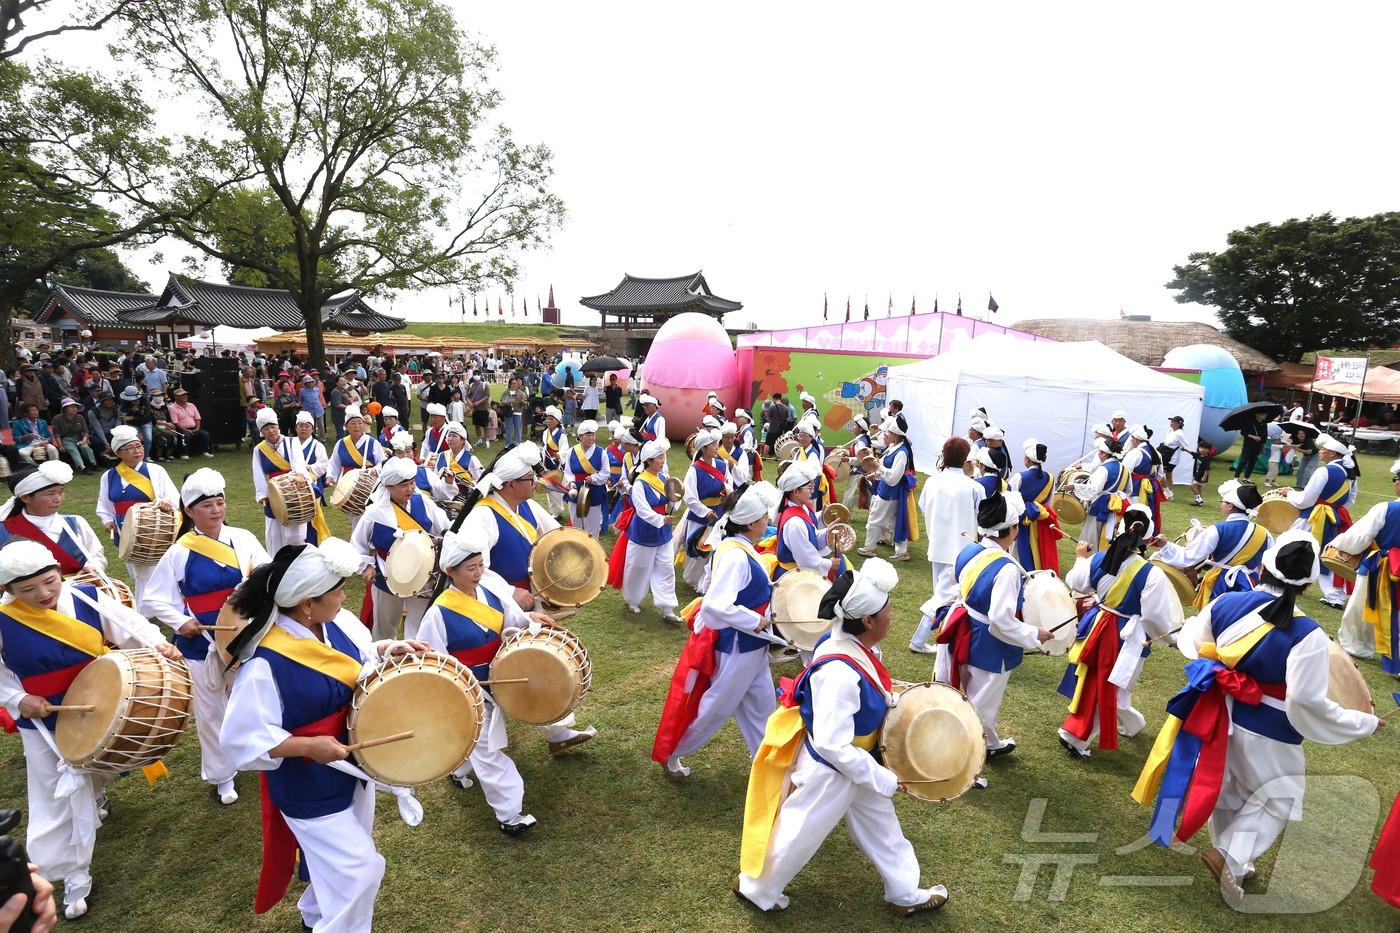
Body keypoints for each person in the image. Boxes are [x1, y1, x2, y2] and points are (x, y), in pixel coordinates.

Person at [1131, 531, 1382, 905]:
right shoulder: (1307, 634)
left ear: (1263, 564)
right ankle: (1229, 856)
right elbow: (1308, 703)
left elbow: (1194, 644)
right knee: (1279, 796)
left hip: (1219, 713)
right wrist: (1361, 722)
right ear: (1310, 584)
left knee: (1231, 786)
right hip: (1271, 726)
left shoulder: (1227, 602)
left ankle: (1235, 857)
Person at [220, 539, 424, 933]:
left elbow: (358, 660)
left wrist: (388, 649)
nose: (343, 595)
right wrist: (307, 746)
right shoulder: (264, 662)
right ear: (306, 604)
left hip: (354, 766)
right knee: (361, 871)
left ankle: (314, 914)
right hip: (306, 783)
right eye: (335, 590)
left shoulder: (336, 622)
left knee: (338, 860)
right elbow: (241, 739)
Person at [735, 559, 948, 916]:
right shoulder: (838, 672)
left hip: (853, 764)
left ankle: (905, 892)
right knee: (799, 830)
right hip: (834, 770)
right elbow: (834, 744)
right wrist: (879, 775)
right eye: (887, 610)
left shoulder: (848, 643)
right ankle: (757, 889)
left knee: (882, 826)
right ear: (867, 621)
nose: (892, 615)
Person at [0, 539, 181, 920]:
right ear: (8, 591)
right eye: (28, 590)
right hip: (43, 718)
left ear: (59, 573)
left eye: (49, 582)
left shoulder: (87, 598)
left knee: (95, 772)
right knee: (56, 794)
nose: (44, 594)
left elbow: (132, 627)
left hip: (102, 702)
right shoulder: (3, 619)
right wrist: (17, 699)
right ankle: (72, 877)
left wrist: (159, 645)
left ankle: (97, 796)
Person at [144, 469, 270, 805]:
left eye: (220, 503)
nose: (216, 510)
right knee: (211, 708)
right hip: (201, 642)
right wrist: (180, 620)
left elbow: (265, 576)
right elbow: (153, 598)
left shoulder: (243, 538)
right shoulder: (179, 551)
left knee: (252, 698)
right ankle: (221, 774)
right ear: (189, 512)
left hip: (245, 634)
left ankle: (257, 752)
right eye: (207, 506)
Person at [417, 527, 549, 836]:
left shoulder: (490, 592)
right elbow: (431, 660)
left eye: (480, 565)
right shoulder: (438, 613)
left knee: (473, 741)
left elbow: (514, 620)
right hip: (468, 690)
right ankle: (510, 812)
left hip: (500, 678)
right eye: (470, 568)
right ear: (451, 571)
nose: (478, 573)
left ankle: (459, 768)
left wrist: (532, 621)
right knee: (487, 749)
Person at [653, 482, 782, 778]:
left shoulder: (732, 545)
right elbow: (713, 606)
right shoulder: (736, 555)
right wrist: (753, 619)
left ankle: (766, 763)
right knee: (715, 708)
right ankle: (672, 752)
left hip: (751, 646)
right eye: (764, 517)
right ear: (750, 522)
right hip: (739, 647)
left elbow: (713, 584)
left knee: (762, 707)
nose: (768, 521)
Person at [935, 492, 1052, 778]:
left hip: (961, 627)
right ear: (1012, 530)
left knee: (963, 694)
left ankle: (991, 744)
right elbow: (1001, 620)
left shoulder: (968, 549)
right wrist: (1034, 633)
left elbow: (954, 582)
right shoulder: (1008, 569)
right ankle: (960, 767)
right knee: (979, 707)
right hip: (988, 642)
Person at [1058, 504, 1176, 758]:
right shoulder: (1151, 573)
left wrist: (1081, 559)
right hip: (1126, 635)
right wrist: (1173, 639)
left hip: (1097, 623)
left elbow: (1077, 583)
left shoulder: (1101, 557)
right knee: (1110, 684)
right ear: (1147, 539)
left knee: (1104, 681)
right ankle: (1076, 736)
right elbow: (1155, 617)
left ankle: (1127, 724)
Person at [351, 457, 450, 641]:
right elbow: (358, 544)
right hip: (386, 574)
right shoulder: (375, 512)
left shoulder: (423, 502)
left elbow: (444, 527)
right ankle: (384, 658)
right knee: (385, 624)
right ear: (388, 486)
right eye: (403, 485)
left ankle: (419, 658)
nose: (410, 489)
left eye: (412, 483)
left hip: (423, 572)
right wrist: (367, 566)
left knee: (421, 621)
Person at [909, 437, 985, 655]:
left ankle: (944, 634)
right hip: (962, 549)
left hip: (938, 545)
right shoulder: (973, 486)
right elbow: (981, 515)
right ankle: (919, 639)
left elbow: (924, 507)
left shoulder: (933, 481)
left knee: (944, 593)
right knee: (943, 595)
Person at [1152, 480, 1271, 610]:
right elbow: (1268, 563)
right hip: (1250, 584)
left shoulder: (1218, 530)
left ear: (1230, 506)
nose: (1221, 505)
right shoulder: (1265, 533)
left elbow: (1188, 557)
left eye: (1223, 502)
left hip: (1221, 583)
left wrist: (1166, 545)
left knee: (1214, 619)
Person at [1330, 457, 1400, 668]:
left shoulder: (1386, 509)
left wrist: (1337, 544)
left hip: (1381, 566)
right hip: (1387, 563)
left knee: (1362, 604)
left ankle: (1358, 645)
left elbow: (1358, 538)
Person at [95, 425, 180, 597]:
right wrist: (107, 521)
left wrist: (166, 502)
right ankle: (154, 601)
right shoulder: (109, 476)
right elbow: (104, 504)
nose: (137, 451)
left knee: (155, 568)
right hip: (124, 526)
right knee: (136, 570)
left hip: (152, 526)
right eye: (130, 448)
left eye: (139, 446)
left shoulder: (155, 470)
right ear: (118, 452)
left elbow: (172, 495)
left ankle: (149, 604)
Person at [610, 440, 682, 619]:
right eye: (659, 457)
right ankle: (632, 600)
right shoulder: (640, 483)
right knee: (639, 567)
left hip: (663, 531)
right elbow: (641, 510)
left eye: (663, 456)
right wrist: (660, 519)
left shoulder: (664, 479)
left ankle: (667, 608)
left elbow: (674, 501)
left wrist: (674, 500)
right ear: (648, 461)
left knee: (666, 568)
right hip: (644, 531)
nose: (663, 460)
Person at [1286, 433, 1356, 608]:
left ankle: (1286, 581)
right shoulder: (1351, 473)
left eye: (1324, 449)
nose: (1321, 452)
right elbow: (1350, 501)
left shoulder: (1324, 470)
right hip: (1335, 517)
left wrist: (1289, 493)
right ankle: (1335, 595)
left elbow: (1306, 499)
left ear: (1333, 453)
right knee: (1329, 552)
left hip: (1313, 516)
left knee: (1292, 545)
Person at [0, 463, 105, 575]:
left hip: (80, 589)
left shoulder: (75, 522)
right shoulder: (4, 530)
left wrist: (92, 567)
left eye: (61, 492)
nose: (58, 499)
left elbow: (96, 555)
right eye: (51, 494)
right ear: (26, 498)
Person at [251, 408, 326, 554]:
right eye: (266, 428)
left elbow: (298, 462)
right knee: (274, 532)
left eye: (273, 427)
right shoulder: (259, 449)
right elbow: (258, 474)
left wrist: (300, 475)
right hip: (274, 492)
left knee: (296, 532)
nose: (271, 431)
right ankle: (277, 564)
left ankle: (298, 561)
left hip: (293, 487)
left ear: (278, 427)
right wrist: (262, 496)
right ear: (261, 431)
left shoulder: (292, 442)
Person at [857, 413, 917, 561]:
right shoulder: (893, 448)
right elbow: (884, 468)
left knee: (875, 520)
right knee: (895, 522)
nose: (886, 434)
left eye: (888, 432)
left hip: (889, 492)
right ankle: (901, 551)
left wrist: (878, 467)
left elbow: (893, 478)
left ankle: (870, 548)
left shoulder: (901, 452)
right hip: (889, 491)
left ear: (895, 434)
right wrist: (875, 473)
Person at [680, 429, 731, 590]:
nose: (717, 447)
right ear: (703, 448)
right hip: (700, 516)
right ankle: (693, 579)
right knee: (699, 548)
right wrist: (704, 511)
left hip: (719, 512)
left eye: (716, 444)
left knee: (715, 548)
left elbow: (728, 484)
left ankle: (707, 582)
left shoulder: (722, 465)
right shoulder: (694, 469)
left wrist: (726, 494)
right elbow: (689, 496)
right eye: (713, 445)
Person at [774, 458, 839, 582]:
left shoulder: (802, 508)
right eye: (809, 487)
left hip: (799, 572)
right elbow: (806, 559)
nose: (812, 491)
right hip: (793, 578)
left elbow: (811, 537)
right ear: (796, 491)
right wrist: (829, 564)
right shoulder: (794, 523)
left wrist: (828, 532)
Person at [325, 406, 382, 530]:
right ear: (346, 426)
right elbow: (333, 463)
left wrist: (374, 470)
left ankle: (361, 542)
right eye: (353, 423)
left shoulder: (372, 442)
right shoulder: (341, 443)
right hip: (348, 485)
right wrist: (330, 476)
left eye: (360, 423)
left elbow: (382, 463)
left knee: (366, 516)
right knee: (354, 516)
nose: (357, 426)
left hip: (368, 483)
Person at [1079, 438, 1130, 553]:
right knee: (1110, 533)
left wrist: (1075, 487)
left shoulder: (1103, 469)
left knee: (1091, 535)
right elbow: (1129, 489)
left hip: (1101, 505)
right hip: (1117, 506)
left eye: (1099, 452)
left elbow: (1093, 490)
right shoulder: (1125, 469)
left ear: (1104, 453)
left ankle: (1090, 560)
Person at [565, 420, 609, 539]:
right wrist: (571, 482)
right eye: (588, 435)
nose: (591, 438)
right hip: (576, 490)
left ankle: (593, 548)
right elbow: (568, 471)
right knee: (576, 520)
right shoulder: (571, 452)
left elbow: (606, 472)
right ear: (580, 436)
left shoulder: (601, 452)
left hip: (594, 490)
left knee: (593, 523)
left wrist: (594, 478)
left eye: (593, 435)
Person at [49, 398, 96, 474]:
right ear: (65, 409)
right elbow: (56, 433)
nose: (73, 408)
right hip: (66, 439)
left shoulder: (80, 417)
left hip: (79, 437)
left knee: (85, 447)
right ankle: (82, 467)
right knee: (73, 450)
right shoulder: (57, 419)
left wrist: (84, 440)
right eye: (70, 407)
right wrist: (60, 446)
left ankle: (94, 464)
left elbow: (85, 431)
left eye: (75, 406)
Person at [294, 410, 331, 502]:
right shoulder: (289, 444)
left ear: (312, 429)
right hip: (293, 483)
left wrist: (310, 467)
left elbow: (324, 464)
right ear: (296, 428)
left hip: (312, 483)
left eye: (307, 426)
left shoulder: (317, 445)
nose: (304, 429)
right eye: (301, 426)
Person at [166, 386, 214, 458]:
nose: (185, 396)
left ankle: (205, 452)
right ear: (176, 397)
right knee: (186, 435)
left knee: (205, 434)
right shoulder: (172, 408)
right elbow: (175, 422)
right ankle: (184, 454)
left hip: (193, 427)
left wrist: (197, 428)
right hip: (181, 429)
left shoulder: (192, 405)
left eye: (185, 395)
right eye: (182, 395)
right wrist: (187, 430)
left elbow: (197, 418)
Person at [538, 405, 567, 518]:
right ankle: (555, 511)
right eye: (547, 419)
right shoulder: (546, 433)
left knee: (555, 489)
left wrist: (558, 455)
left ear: (557, 421)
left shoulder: (561, 434)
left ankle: (557, 512)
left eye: (551, 419)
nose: (548, 421)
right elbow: (545, 447)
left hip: (557, 464)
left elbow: (564, 449)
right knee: (549, 489)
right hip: (547, 463)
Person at [1234, 409, 1269, 480]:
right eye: (1262, 414)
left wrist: (1263, 447)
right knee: (1243, 461)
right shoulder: (1250, 422)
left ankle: (1246, 477)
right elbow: (1243, 432)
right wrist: (1252, 436)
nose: (1264, 416)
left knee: (1252, 462)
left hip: (1258, 445)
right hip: (1249, 444)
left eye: (1265, 414)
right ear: (1257, 414)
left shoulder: (1264, 424)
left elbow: (1265, 436)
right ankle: (1236, 476)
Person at [1158, 415, 1187, 495]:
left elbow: (1185, 445)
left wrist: (1181, 448)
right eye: (1171, 421)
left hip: (1172, 457)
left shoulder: (1180, 433)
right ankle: (1169, 491)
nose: (1171, 423)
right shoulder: (1170, 431)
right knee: (1167, 474)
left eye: (1173, 422)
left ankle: (1167, 491)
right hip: (1165, 454)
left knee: (1160, 473)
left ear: (1178, 424)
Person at [468, 375, 491, 447]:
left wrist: (479, 402)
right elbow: (467, 396)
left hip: (483, 408)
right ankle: (479, 440)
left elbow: (487, 396)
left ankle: (487, 441)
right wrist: (469, 403)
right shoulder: (471, 385)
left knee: (485, 426)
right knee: (476, 425)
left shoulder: (485, 385)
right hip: (475, 409)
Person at [1188, 439, 1213, 507]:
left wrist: (1204, 477)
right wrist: (1185, 450)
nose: (1202, 449)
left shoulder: (1206, 458)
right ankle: (1200, 501)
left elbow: (1207, 469)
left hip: (1201, 476)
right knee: (1199, 488)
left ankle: (1198, 499)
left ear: (1208, 450)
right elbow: (1192, 453)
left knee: (1192, 486)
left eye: (1204, 448)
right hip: (1197, 475)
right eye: (1201, 448)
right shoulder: (1198, 455)